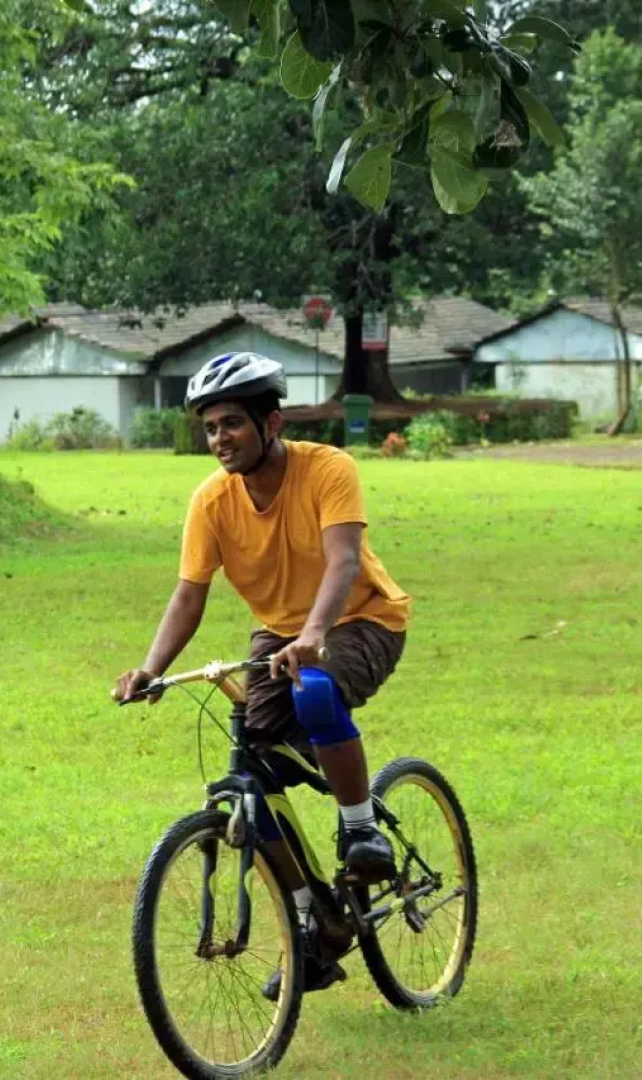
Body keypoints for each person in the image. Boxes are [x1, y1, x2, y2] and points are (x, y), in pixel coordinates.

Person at [114, 351, 411, 992]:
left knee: (316, 687)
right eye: (210, 427)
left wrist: (312, 635)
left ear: (270, 423)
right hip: (277, 632)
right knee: (251, 772)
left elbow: (342, 561)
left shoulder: (328, 468)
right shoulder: (212, 501)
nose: (219, 438)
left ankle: (362, 833)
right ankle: (313, 924)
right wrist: (150, 669)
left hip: (362, 620)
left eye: (232, 424)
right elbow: (189, 594)